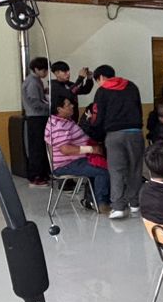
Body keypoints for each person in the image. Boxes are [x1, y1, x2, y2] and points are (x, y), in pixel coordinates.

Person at [86, 64, 145, 219]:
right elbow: (139, 109)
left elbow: (98, 116)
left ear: (100, 77)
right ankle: (134, 204)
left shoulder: (102, 90)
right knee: (135, 168)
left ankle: (118, 207)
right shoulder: (131, 86)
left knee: (116, 170)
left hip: (114, 135)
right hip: (135, 132)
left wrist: (92, 125)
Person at [45, 94, 111, 211]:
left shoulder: (64, 120)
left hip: (76, 160)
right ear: (59, 109)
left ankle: (92, 200)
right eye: (68, 105)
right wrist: (91, 149)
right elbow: (65, 149)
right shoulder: (59, 125)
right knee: (102, 170)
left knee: (100, 164)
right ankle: (101, 203)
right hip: (66, 164)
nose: (72, 106)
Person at [21, 55, 52, 186]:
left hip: (39, 117)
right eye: (44, 70)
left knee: (41, 147)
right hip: (36, 118)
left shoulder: (36, 80)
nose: (46, 73)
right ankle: (36, 176)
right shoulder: (32, 82)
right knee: (37, 148)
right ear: (36, 69)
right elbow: (35, 103)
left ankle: (43, 173)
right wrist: (50, 106)